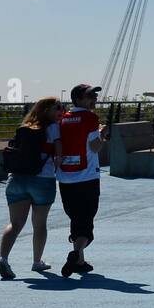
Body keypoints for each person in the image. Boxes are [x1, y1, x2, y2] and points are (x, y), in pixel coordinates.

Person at [0, 97, 63, 280]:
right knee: (39, 223)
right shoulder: (53, 127)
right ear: (47, 110)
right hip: (42, 180)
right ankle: (37, 261)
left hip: (16, 180)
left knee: (15, 223)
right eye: (57, 107)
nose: (61, 110)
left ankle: (3, 259)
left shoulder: (24, 127)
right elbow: (59, 155)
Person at [56, 84, 107, 277]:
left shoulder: (62, 119)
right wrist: (102, 135)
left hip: (65, 178)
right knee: (86, 221)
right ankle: (76, 252)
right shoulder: (90, 118)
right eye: (89, 96)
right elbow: (94, 147)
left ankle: (80, 261)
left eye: (94, 95)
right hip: (87, 177)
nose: (93, 99)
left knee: (75, 218)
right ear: (77, 99)